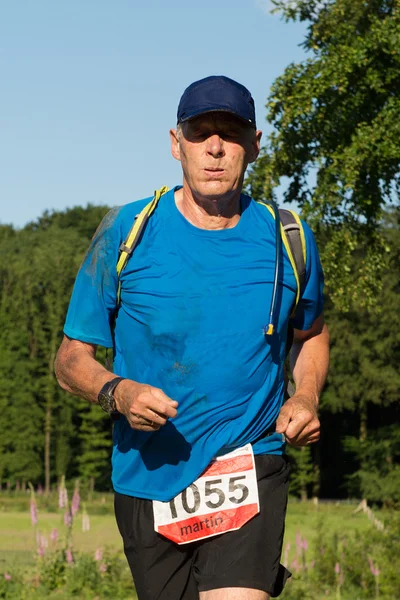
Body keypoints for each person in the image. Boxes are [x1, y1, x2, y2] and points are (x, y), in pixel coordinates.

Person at [55, 75, 329, 600]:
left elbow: (310, 334)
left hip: (249, 461)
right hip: (148, 474)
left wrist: (305, 394)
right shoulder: (128, 230)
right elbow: (71, 359)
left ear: (254, 145)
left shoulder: (287, 237)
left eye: (230, 132)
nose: (216, 147)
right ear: (175, 142)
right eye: (200, 132)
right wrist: (119, 393)